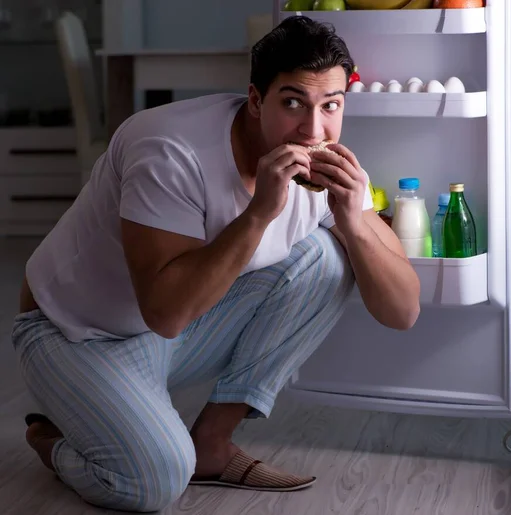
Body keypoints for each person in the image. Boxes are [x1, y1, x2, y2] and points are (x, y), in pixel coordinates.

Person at [12, 15, 420, 513]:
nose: (313, 129)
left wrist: (354, 225)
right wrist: (259, 213)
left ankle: (212, 442)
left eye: (330, 106)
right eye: (293, 103)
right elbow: (164, 313)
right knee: (156, 482)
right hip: (74, 332)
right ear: (255, 101)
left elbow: (403, 312)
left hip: (169, 335)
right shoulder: (170, 151)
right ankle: (54, 442)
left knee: (327, 258)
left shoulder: (327, 162)